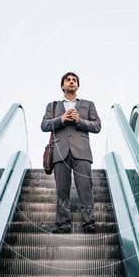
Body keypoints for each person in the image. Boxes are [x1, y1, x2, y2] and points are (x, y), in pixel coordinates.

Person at [41, 72, 101, 233]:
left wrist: (78, 121)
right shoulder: (53, 106)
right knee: (62, 189)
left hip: (82, 152)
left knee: (85, 188)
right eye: (68, 80)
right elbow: (44, 125)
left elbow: (97, 126)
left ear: (77, 85)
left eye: (74, 80)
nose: (71, 82)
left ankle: (89, 223)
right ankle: (63, 224)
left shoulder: (88, 104)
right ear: (63, 86)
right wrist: (61, 119)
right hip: (59, 151)